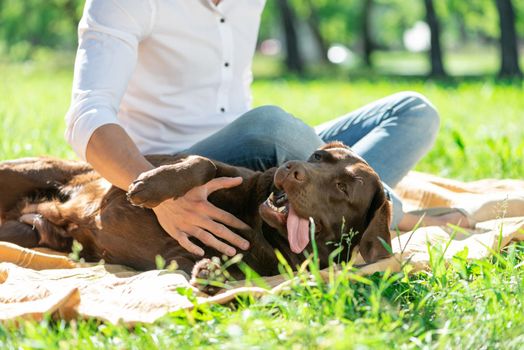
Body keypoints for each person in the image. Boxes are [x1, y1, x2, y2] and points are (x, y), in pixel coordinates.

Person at [65, 0, 464, 259]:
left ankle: (358, 202)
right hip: (174, 163)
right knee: (271, 126)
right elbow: (87, 115)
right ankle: (394, 215)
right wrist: (159, 194)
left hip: (250, 151)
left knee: (414, 111)